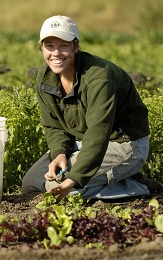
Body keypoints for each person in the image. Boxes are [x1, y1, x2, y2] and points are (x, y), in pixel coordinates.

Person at [21, 15, 159, 201]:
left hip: (123, 144)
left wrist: (74, 179)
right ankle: (111, 178)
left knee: (61, 187)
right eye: (49, 46)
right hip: (83, 142)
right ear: (42, 48)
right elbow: (53, 125)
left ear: (75, 46)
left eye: (64, 45)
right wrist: (60, 153)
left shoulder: (99, 78)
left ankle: (137, 187)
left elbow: (98, 132)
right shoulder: (45, 79)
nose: (56, 53)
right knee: (31, 183)